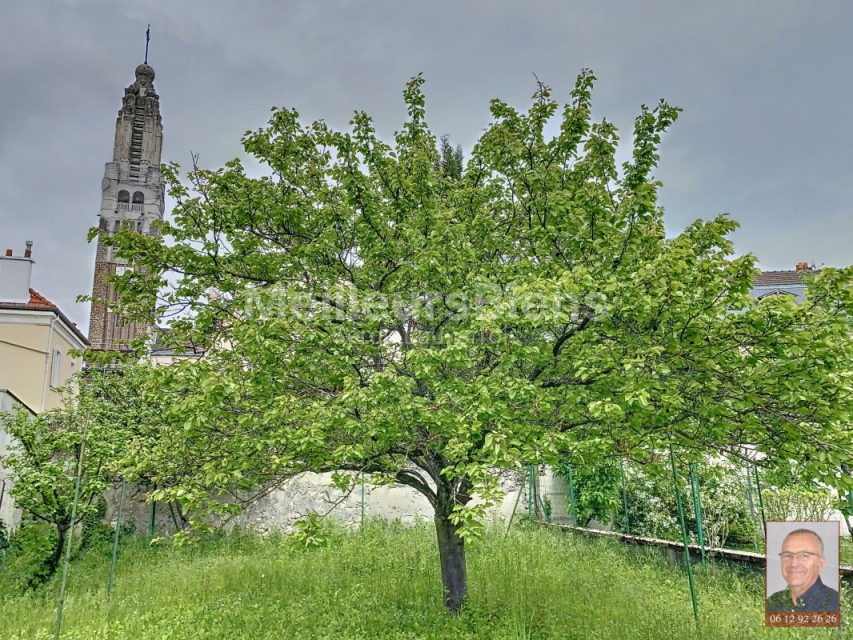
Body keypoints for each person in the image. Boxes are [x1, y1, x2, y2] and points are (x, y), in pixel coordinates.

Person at [766, 528, 839, 612]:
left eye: (804, 556)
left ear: (820, 564)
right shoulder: (773, 602)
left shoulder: (834, 606)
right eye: (787, 555)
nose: (793, 563)